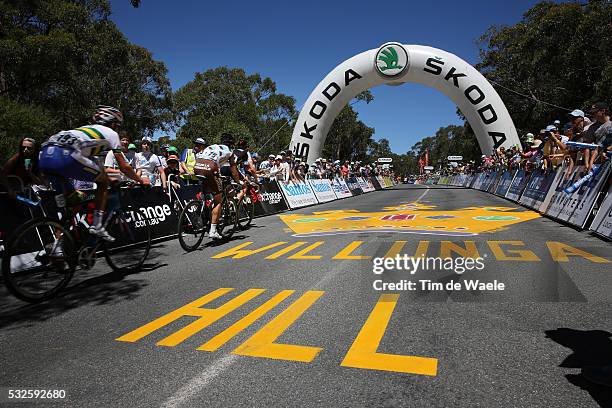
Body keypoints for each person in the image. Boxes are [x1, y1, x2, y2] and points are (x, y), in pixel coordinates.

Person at [38, 105, 142, 241]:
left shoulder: (85, 131)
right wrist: (140, 180)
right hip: (65, 156)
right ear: (113, 123)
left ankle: (56, 249)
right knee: (103, 182)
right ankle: (97, 225)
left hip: (44, 156)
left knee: (75, 202)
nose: (117, 129)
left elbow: (95, 162)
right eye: (117, 125)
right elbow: (124, 167)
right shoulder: (111, 134)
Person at [192, 132, 241, 239]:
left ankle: (205, 209)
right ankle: (213, 231)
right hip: (210, 167)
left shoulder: (212, 146)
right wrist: (238, 182)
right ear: (231, 144)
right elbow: (234, 171)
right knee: (219, 198)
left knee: (209, 192)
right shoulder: (230, 152)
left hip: (197, 166)